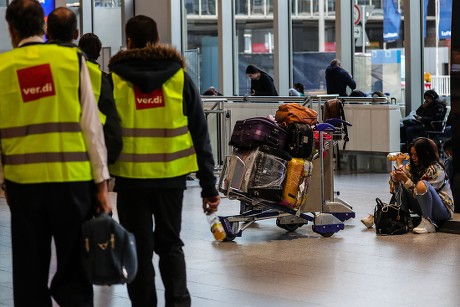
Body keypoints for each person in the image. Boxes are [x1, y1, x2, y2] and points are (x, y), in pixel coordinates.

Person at [0, 0, 112, 306]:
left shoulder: (3, 68)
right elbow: (92, 127)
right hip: (72, 183)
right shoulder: (72, 61)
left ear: (11, 29)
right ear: (43, 26)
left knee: (29, 272)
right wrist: (101, 187)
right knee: (75, 270)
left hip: (24, 186)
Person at [107, 15, 220, 306]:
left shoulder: (115, 79)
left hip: (131, 181)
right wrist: (209, 186)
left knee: (138, 250)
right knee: (170, 244)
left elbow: (104, 134)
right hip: (171, 179)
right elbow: (200, 133)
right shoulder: (179, 77)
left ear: (129, 42)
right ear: (157, 41)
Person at [46, 7, 122, 164]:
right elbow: (111, 127)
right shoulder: (96, 75)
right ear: (75, 33)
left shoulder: (33, 68)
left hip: (40, 164)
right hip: (83, 164)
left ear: (47, 32)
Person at [390, 137, 453, 234]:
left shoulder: (435, 169)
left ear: (425, 154)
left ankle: (428, 222)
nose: (413, 158)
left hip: (442, 210)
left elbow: (418, 190)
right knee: (401, 181)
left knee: (421, 184)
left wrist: (405, 179)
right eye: (412, 155)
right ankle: (404, 218)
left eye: (416, 155)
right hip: (424, 206)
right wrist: (395, 177)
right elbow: (394, 187)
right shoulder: (413, 166)